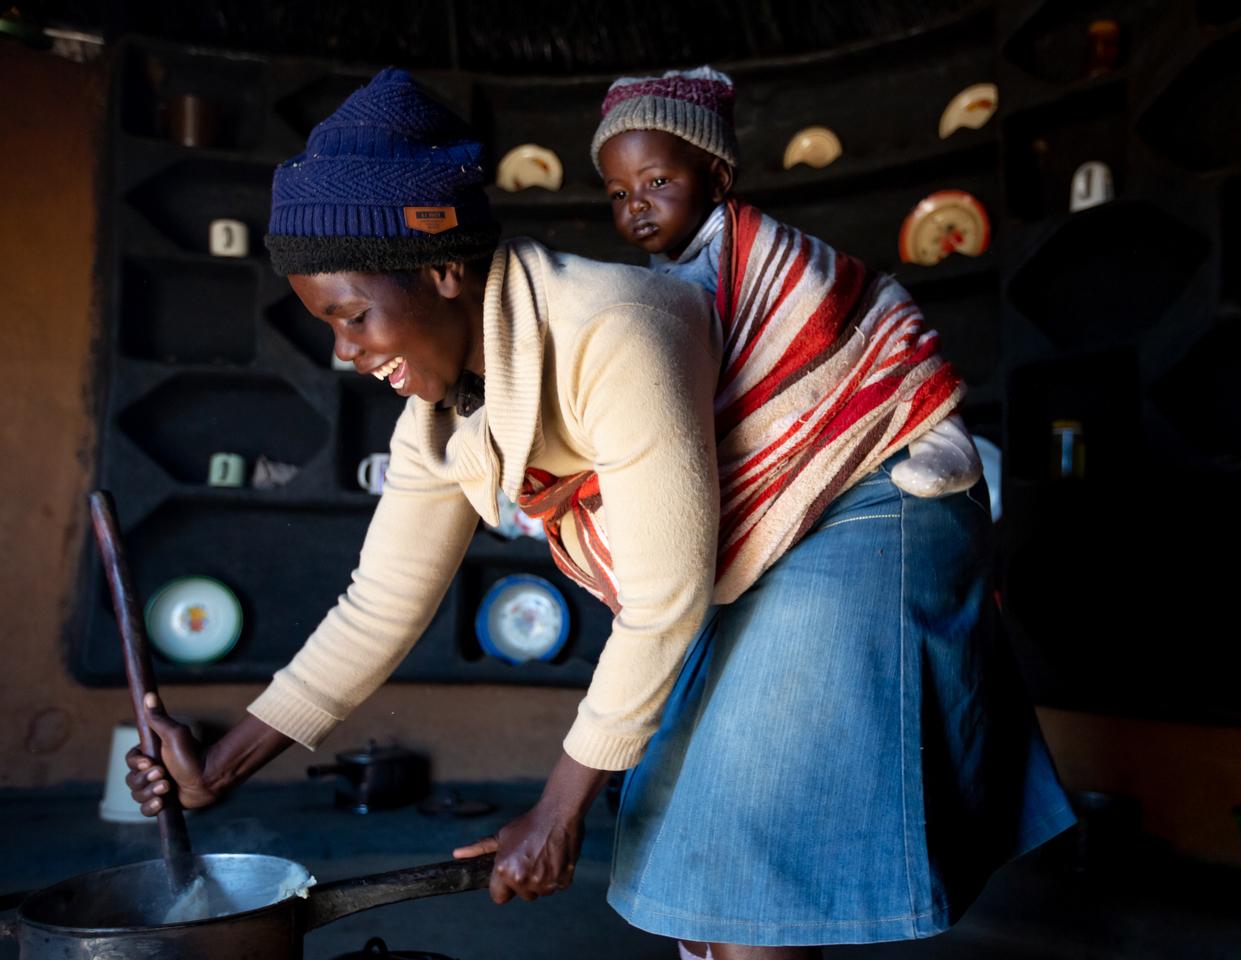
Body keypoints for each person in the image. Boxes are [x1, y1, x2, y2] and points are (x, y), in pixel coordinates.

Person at [126, 68, 1074, 959]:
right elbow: (381, 602)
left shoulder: (611, 329)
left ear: (444, 271)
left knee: (734, 820)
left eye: (352, 315)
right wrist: (230, 757)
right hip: (760, 532)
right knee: (682, 813)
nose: (344, 350)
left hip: (868, 489)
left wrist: (558, 806)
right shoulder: (447, 417)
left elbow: (665, 598)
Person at [593, 65, 983, 503]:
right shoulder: (656, 267)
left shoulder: (749, 247)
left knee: (894, 347)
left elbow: (805, 299)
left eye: (658, 181)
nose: (637, 204)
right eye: (619, 194)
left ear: (718, 180)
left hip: (847, 323)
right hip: (768, 391)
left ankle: (945, 440)